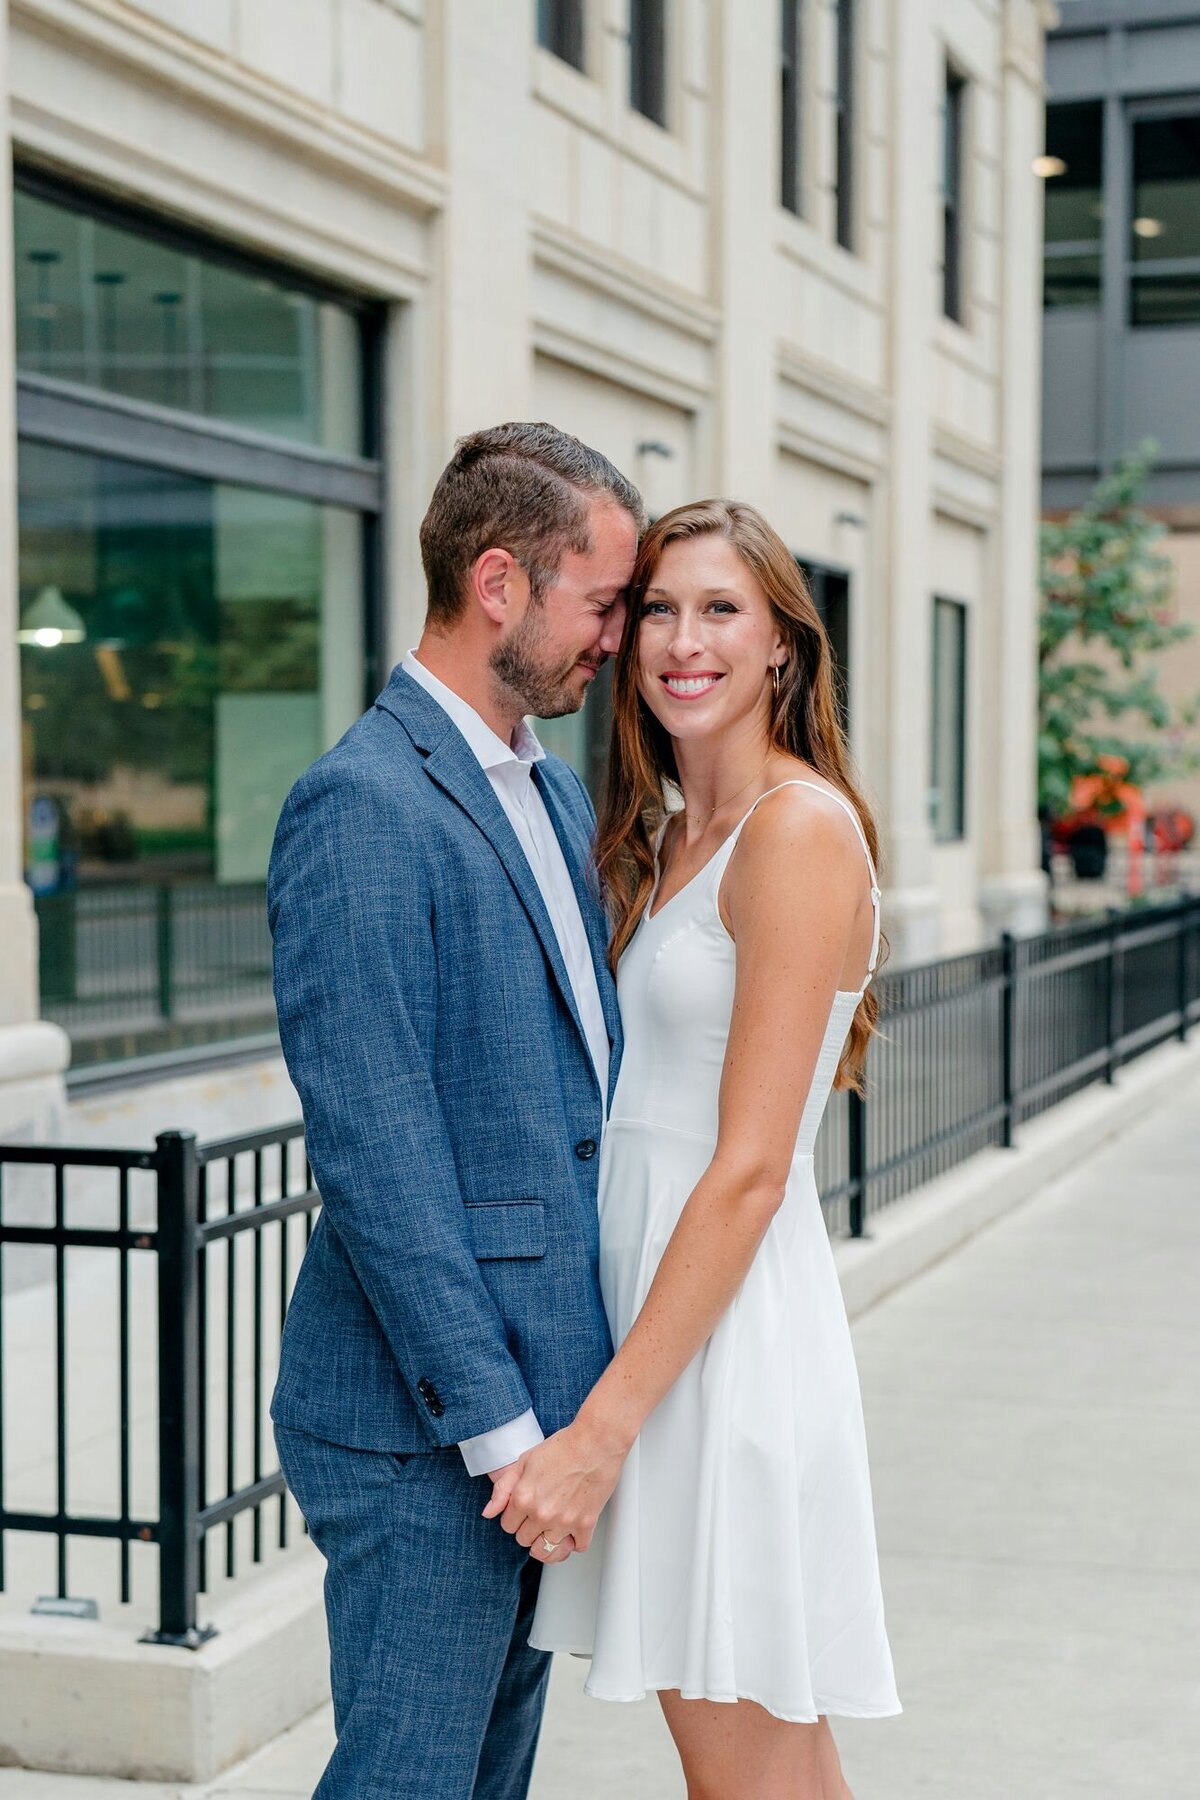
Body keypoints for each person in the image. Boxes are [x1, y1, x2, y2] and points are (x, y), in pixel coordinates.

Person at [498, 500, 902, 1799]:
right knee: (757, 1768)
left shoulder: (797, 832)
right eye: (659, 608)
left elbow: (749, 1169)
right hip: (658, 1337)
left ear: (784, 642)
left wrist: (601, 1432)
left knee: (748, 1771)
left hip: (720, 1356)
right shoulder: (671, 836)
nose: (684, 639)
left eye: (721, 608)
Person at [267, 422, 643, 1798]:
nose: (619, 637)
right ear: (502, 584)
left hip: (535, 1422)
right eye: (600, 601)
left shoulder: (544, 788)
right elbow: (380, 1154)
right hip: (432, 1436)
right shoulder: (360, 805)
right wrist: (506, 1438)